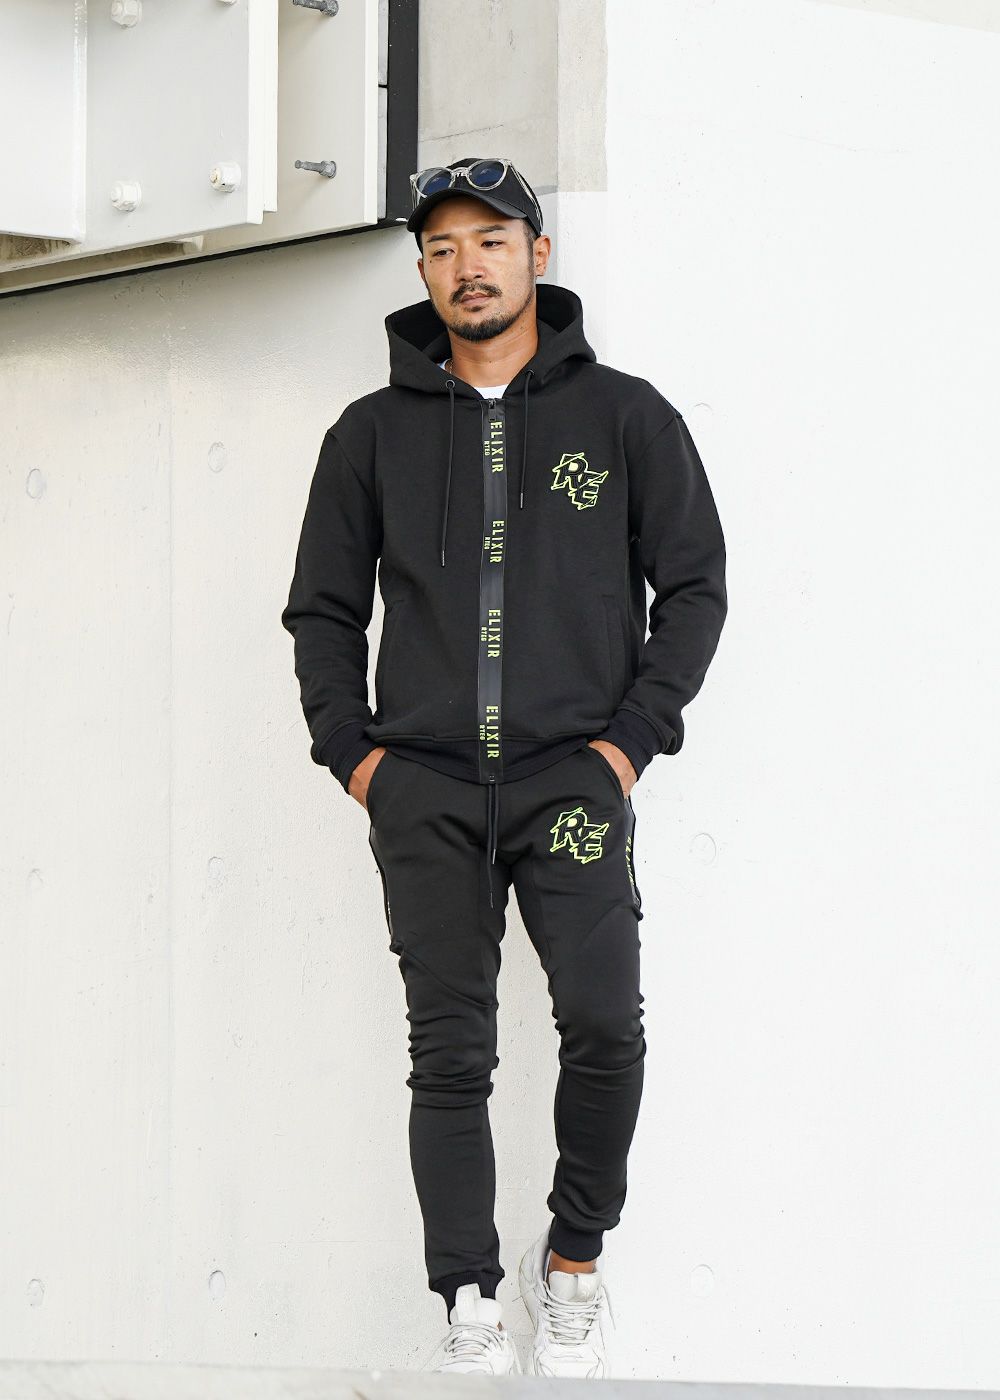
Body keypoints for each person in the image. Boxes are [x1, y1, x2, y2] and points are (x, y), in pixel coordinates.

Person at [280, 156, 728, 1377]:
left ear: (537, 253)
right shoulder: (369, 434)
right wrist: (358, 758)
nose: (465, 265)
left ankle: (569, 1262)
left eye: (489, 239)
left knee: (606, 1024)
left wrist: (625, 744)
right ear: (424, 272)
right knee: (449, 1052)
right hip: (424, 793)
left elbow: (692, 588)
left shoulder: (626, 418)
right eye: (441, 247)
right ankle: (468, 1296)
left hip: (569, 784)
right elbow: (323, 610)